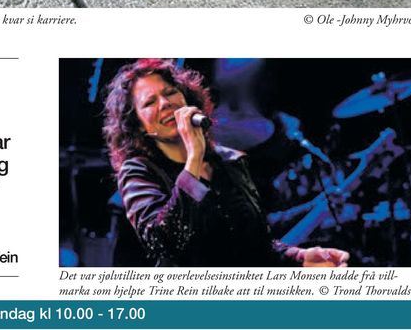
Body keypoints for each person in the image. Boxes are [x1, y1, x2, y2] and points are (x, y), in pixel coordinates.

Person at [103, 59, 350, 268]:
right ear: (138, 126)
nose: (165, 103)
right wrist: (194, 160)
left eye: (170, 92)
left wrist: (301, 257)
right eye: (149, 102)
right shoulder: (139, 171)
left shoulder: (229, 161)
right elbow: (166, 242)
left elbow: (251, 243)